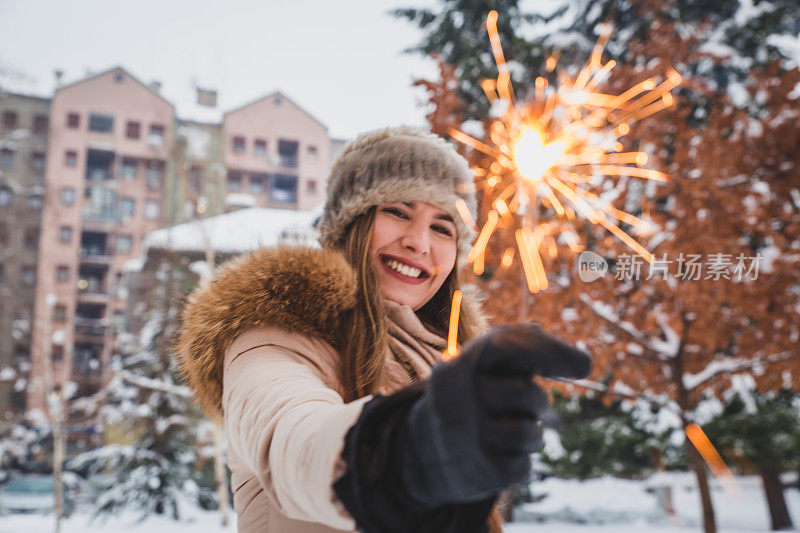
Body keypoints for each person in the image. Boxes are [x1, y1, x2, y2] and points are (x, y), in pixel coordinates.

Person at [176, 127, 591, 533]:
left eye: (443, 228)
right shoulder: (273, 337)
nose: (419, 243)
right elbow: (295, 443)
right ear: (348, 226)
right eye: (398, 212)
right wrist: (399, 449)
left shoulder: (445, 364)